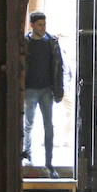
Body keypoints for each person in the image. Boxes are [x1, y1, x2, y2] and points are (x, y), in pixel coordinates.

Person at [22, 12, 65, 178]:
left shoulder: (51, 42)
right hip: (30, 89)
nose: (43, 27)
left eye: (44, 24)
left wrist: (58, 90)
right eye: (40, 24)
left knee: (49, 126)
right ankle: (28, 157)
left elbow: (58, 67)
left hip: (46, 89)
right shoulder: (25, 43)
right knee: (28, 124)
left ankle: (49, 163)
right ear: (32, 25)